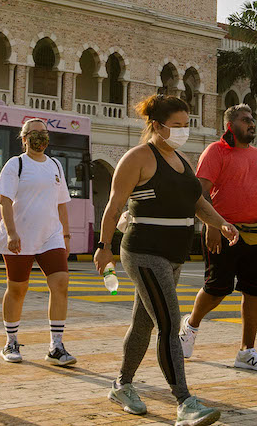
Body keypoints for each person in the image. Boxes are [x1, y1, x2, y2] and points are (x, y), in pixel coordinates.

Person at [95, 94, 237, 426]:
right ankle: (185, 401)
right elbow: (114, 206)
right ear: (157, 125)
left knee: (144, 322)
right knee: (170, 324)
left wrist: (221, 223)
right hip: (144, 251)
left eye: (187, 125)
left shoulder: (182, 161)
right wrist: (104, 246)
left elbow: (198, 202)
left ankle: (121, 384)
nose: (183, 131)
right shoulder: (138, 158)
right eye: (177, 126)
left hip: (174, 255)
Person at [179, 104, 257, 372]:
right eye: (246, 120)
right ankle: (190, 326)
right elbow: (200, 193)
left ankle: (247, 352)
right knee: (217, 288)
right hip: (224, 232)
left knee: (255, 290)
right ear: (230, 125)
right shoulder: (215, 151)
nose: (252, 124)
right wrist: (211, 224)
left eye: (253, 119)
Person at [0, 118, 75, 366]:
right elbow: (5, 200)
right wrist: (11, 232)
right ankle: (11, 342)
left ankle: (56, 346)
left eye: (44, 132)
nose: (40, 137)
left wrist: (66, 236)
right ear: (24, 138)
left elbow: (61, 203)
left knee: (61, 283)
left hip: (50, 235)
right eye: (35, 133)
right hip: (21, 235)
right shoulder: (15, 164)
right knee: (18, 289)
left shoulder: (56, 166)